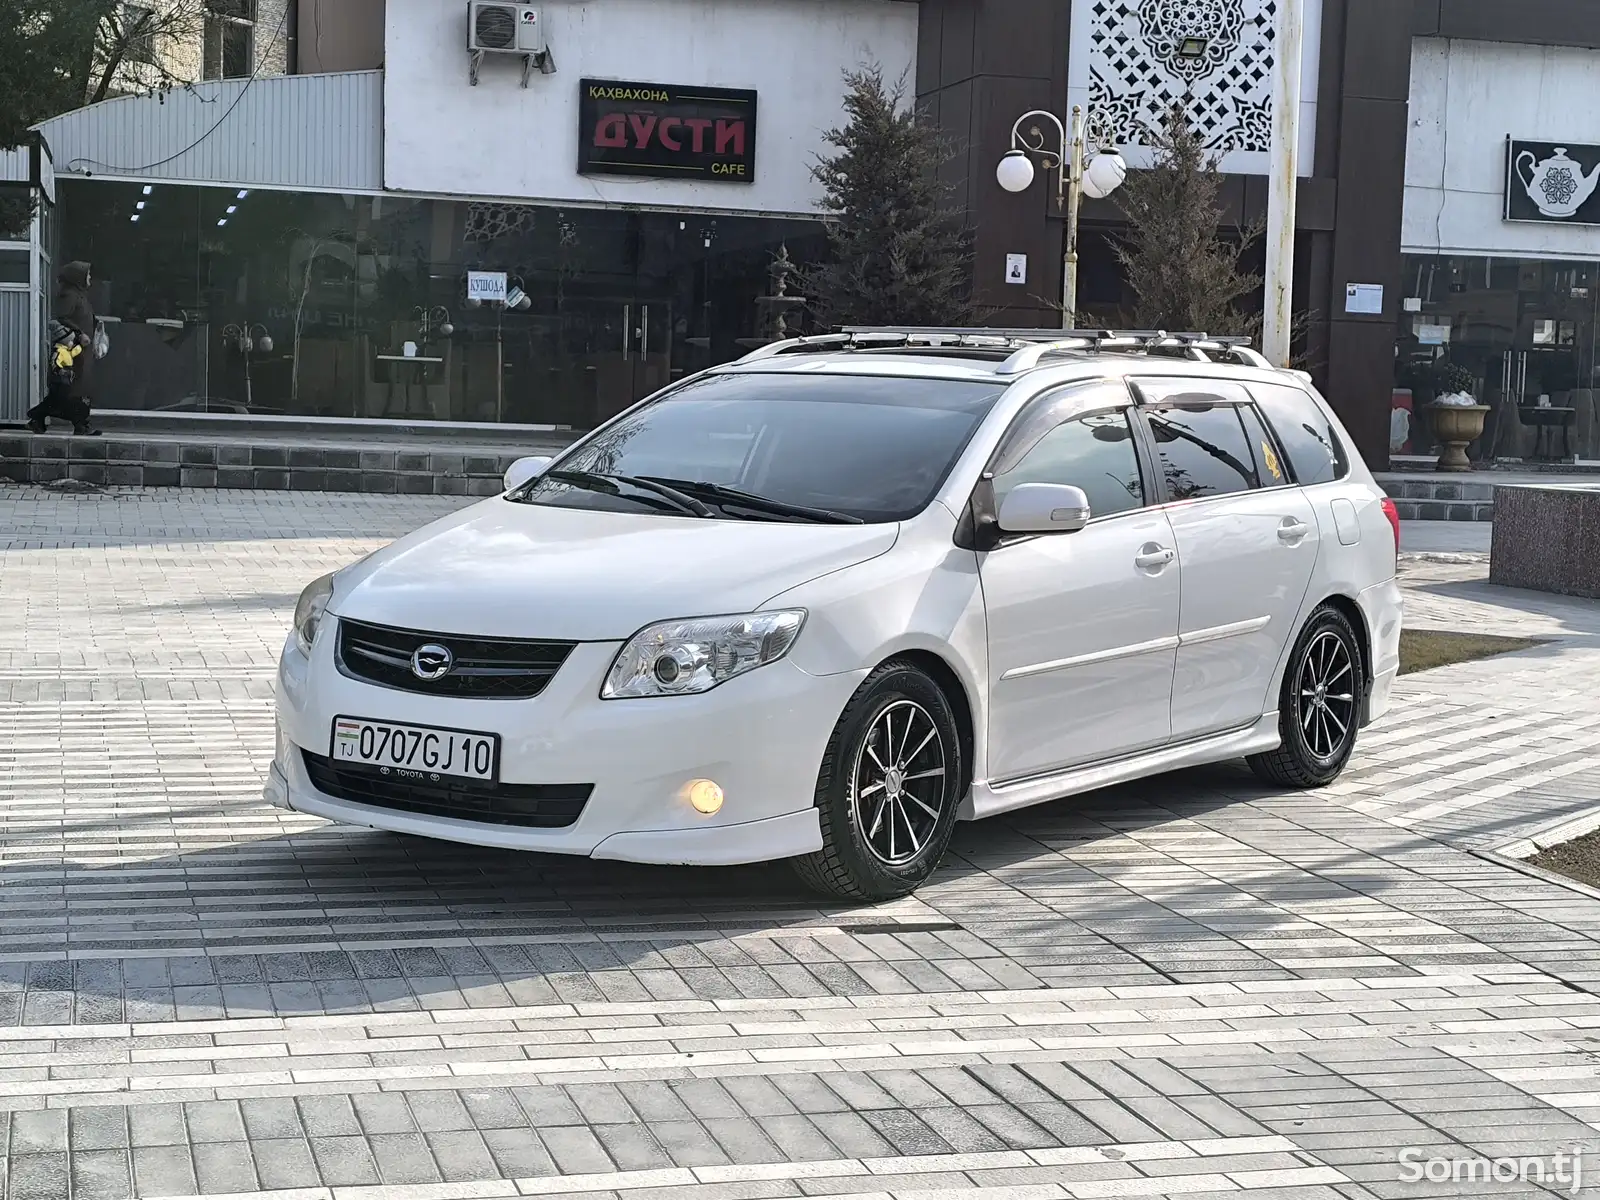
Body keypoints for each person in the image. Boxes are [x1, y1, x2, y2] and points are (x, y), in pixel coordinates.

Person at [27, 261, 101, 435]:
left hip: (82, 350)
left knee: (74, 389)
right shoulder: (69, 295)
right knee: (72, 389)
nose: (90, 278)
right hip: (72, 350)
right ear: (78, 277)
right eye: (87, 274)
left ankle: (41, 419)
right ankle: (81, 424)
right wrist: (79, 333)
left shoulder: (80, 295)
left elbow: (81, 316)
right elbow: (62, 318)